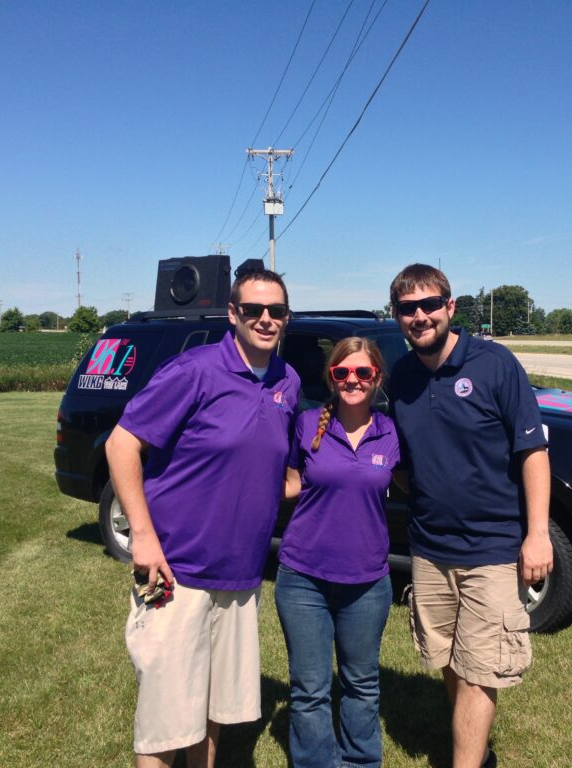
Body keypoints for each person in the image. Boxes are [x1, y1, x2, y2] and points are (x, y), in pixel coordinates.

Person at [105, 269, 301, 768]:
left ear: (286, 318)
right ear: (233, 314)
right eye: (253, 310)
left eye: (275, 311)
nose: (264, 319)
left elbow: (277, 469)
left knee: (211, 709)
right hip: (176, 570)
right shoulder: (194, 371)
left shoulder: (287, 381)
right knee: (165, 719)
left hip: (240, 574)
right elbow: (121, 443)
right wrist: (143, 539)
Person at [387, 264, 553, 768]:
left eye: (430, 304)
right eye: (408, 309)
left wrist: (538, 534)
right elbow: (403, 461)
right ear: (396, 316)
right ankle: (474, 753)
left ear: (450, 307)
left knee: (482, 669)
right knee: (450, 661)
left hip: (493, 548)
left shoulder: (495, 363)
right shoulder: (401, 377)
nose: (420, 316)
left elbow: (533, 452)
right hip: (430, 549)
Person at [275, 337, 401, 768]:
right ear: (330, 377)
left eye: (362, 373)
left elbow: (421, 486)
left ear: (376, 378)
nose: (352, 380)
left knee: (361, 683)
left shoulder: (390, 432)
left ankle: (361, 761)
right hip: (302, 578)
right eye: (342, 372)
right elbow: (290, 483)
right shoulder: (307, 423)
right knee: (309, 689)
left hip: (367, 581)